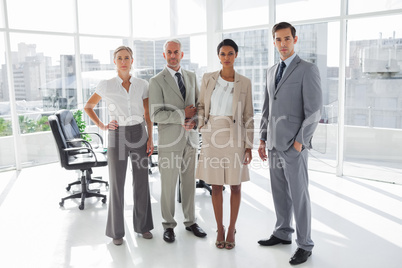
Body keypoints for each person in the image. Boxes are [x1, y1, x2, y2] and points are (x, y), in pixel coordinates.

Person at [257, 22, 322, 265]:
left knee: (299, 195)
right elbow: (266, 108)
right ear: (274, 42)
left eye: (287, 39)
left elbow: (314, 112)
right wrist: (262, 139)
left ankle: (305, 244)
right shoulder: (271, 70)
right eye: (278, 39)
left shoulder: (307, 69)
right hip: (273, 144)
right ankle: (283, 232)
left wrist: (299, 144)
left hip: (293, 145)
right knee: (279, 193)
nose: (282, 44)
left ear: (295, 40)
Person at [84, 46, 154, 246]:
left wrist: (150, 137)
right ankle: (116, 231)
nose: (123, 61)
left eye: (127, 58)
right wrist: (103, 126)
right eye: (120, 58)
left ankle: (143, 226)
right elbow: (88, 106)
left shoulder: (142, 84)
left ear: (132, 60)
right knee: (116, 183)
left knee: (141, 181)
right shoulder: (106, 85)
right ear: (114, 61)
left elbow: (147, 113)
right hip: (117, 135)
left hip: (140, 132)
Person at [196, 39, 254, 250]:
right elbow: (202, 104)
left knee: (235, 184)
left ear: (236, 55)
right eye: (222, 54)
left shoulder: (245, 82)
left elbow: (249, 114)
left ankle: (231, 228)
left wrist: (249, 145)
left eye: (230, 53)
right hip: (212, 135)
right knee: (216, 185)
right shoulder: (208, 78)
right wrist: (202, 124)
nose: (226, 57)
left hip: (235, 135)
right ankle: (219, 228)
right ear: (218, 56)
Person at [148, 39, 206, 243]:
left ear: (182, 54)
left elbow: (200, 107)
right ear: (164, 55)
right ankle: (168, 224)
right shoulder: (156, 81)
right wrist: (182, 115)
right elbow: (155, 114)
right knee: (168, 184)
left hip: (191, 139)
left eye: (176, 52)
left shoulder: (191, 76)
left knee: (189, 183)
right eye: (169, 52)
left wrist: (195, 121)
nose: (173, 55)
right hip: (170, 141)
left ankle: (190, 221)